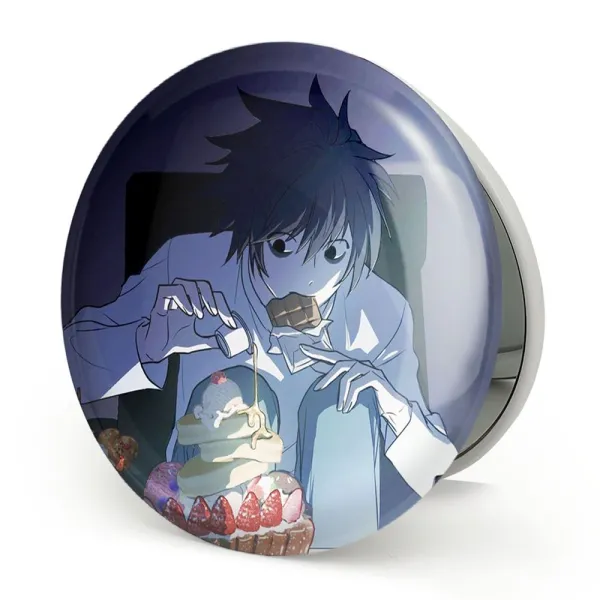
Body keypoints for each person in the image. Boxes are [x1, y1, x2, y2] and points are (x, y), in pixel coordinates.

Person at [64, 77, 457, 547]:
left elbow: (435, 462)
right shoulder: (189, 265)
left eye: (333, 253)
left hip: (335, 542)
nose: (306, 279)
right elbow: (74, 361)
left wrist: (391, 406)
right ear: (251, 230)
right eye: (282, 245)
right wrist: (145, 342)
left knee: (344, 410)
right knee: (235, 390)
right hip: (199, 523)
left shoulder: (381, 311)